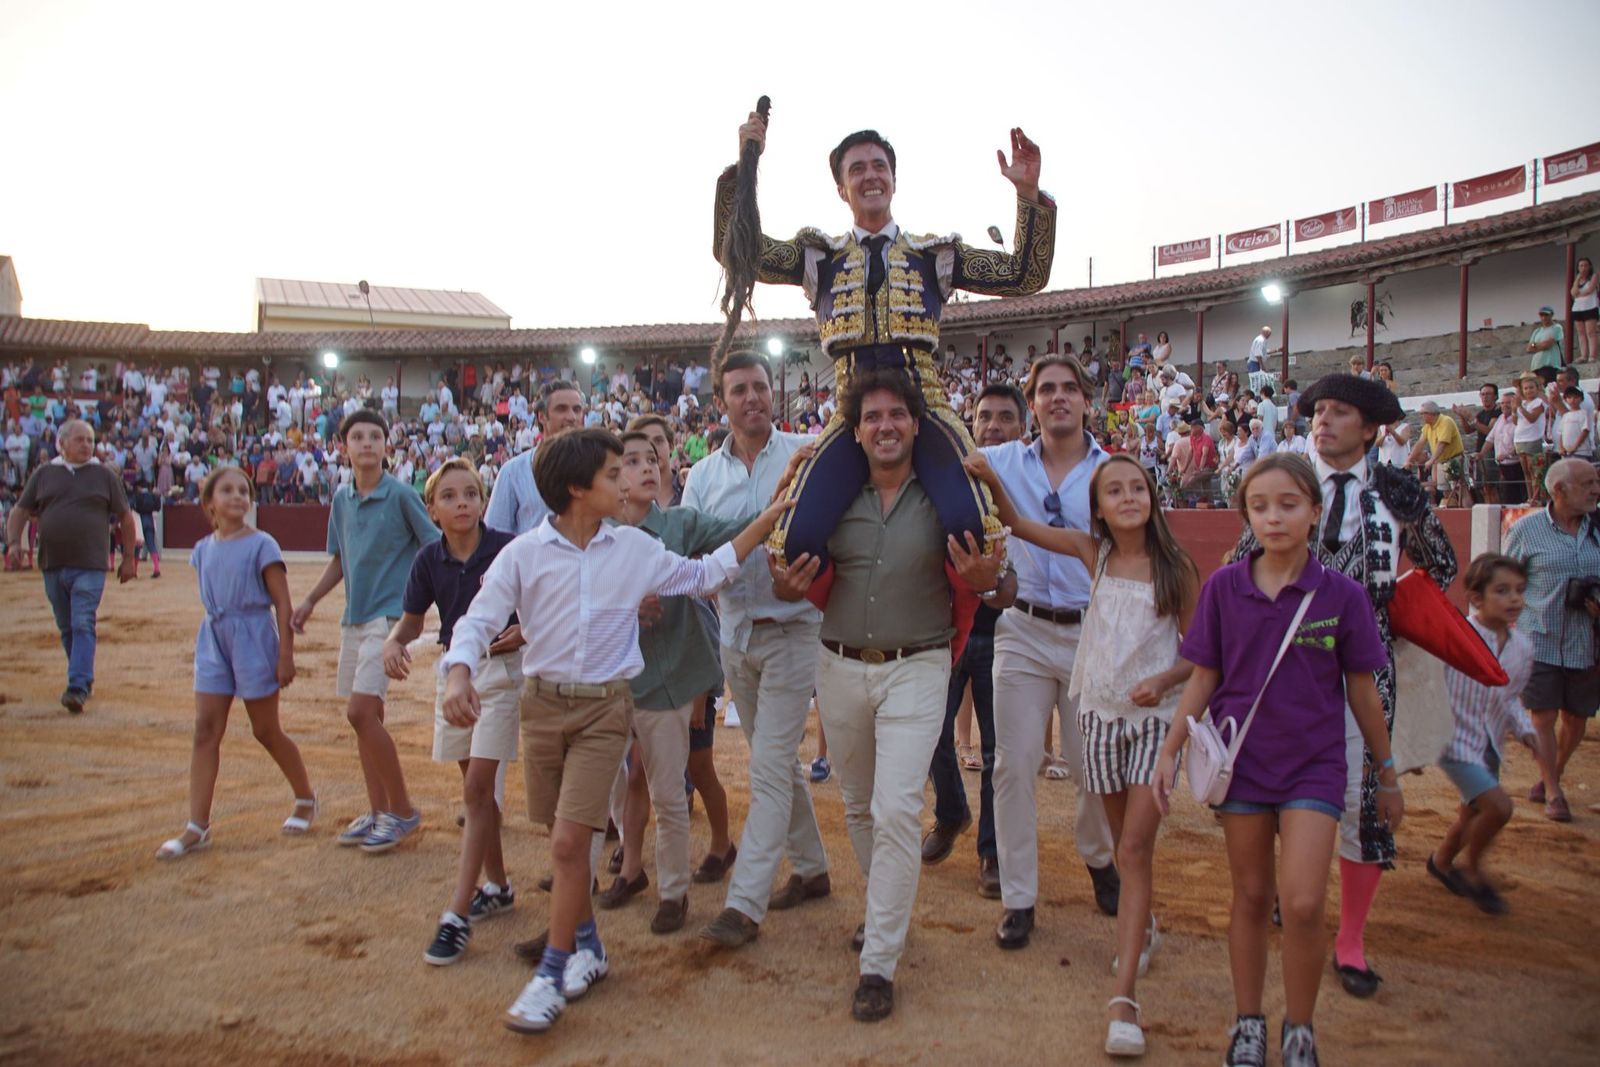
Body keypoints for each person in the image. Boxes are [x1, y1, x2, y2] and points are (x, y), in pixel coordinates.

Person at [439, 428, 789, 1034]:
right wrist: (457, 674)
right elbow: (479, 619)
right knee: (561, 837)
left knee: (572, 844)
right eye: (611, 474)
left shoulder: (634, 548)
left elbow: (708, 573)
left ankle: (551, 972)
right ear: (579, 490)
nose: (626, 480)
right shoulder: (524, 554)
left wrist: (771, 517)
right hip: (542, 709)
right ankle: (589, 948)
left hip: (606, 711)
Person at [716, 115, 1056, 574]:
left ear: (894, 180)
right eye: (857, 169)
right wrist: (744, 167)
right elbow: (735, 249)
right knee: (795, 540)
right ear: (842, 189)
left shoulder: (934, 255)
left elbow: (1024, 275)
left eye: (879, 166)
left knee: (973, 526)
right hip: (852, 413)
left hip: (926, 408)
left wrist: (1028, 196)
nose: (870, 175)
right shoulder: (819, 256)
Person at [770, 370, 1005, 1021]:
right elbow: (793, 571)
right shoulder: (833, 498)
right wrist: (789, 588)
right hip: (839, 663)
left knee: (898, 807)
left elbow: (1000, 585)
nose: (885, 425)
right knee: (860, 804)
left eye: (897, 414)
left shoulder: (943, 496)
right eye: (872, 415)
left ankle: (879, 959)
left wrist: (991, 583)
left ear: (914, 422)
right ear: (857, 428)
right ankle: (884, 913)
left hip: (919, 664)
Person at [1155, 453, 1400, 1067]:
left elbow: (1364, 692)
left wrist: (1387, 773)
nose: (1274, 518)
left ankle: (1300, 1027)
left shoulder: (1341, 595)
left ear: (1315, 512)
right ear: (1246, 516)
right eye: (1259, 507)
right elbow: (1204, 677)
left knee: (1304, 902)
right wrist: (1169, 751)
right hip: (1245, 762)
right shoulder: (1223, 588)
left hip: (1315, 765)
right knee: (1250, 895)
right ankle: (1247, 1023)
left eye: (1288, 504)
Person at [1229, 374, 1455, 1003]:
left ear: (1370, 427)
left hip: (1365, 664)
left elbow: (1442, 565)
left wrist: (1393, 619)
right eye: (1319, 410)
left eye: (1340, 412)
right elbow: (1239, 561)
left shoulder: (1400, 491)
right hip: (1283, 666)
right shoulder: (1289, 481)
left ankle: (1350, 939)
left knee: (1363, 803)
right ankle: (1288, 890)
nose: (1323, 420)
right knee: (1273, 782)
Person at [969, 449, 1197, 1057]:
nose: (1127, 498)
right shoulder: (1091, 552)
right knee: (1125, 841)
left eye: (1138, 488)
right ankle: (1139, 923)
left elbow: (1202, 655)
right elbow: (1017, 525)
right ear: (1096, 508)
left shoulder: (1177, 567)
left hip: (1151, 721)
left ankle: (1123, 992)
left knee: (1132, 846)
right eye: (1114, 491)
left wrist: (1167, 683)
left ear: (1153, 498)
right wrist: (991, 478)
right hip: (1100, 714)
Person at [683, 354, 833, 949]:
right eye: (739, 390)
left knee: (768, 764)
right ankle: (814, 868)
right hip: (734, 631)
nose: (752, 398)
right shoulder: (702, 476)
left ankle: (744, 903)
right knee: (774, 761)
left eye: (761, 388)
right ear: (722, 403)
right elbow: (699, 559)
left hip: (796, 629)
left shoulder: (807, 454)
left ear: (776, 395)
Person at [980, 354, 1120, 950]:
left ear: (1087, 400)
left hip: (1094, 632)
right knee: (1012, 766)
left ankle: (1097, 855)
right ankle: (1019, 897)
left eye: (1069, 389)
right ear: (1032, 405)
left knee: (1093, 769)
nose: (1058, 398)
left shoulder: (1114, 469)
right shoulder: (998, 461)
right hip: (1023, 628)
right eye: (1046, 391)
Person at [601, 427, 755, 935]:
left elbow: (737, 533)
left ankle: (673, 892)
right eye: (631, 461)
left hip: (665, 681)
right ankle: (610, 878)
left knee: (669, 790)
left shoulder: (681, 523)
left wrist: (777, 507)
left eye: (652, 459)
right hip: (608, 684)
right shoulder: (592, 534)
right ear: (609, 475)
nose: (647, 467)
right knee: (598, 792)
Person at [381, 459, 523, 965]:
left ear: (483, 502)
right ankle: (500, 887)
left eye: (471, 494)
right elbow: (413, 620)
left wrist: (524, 632)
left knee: (476, 791)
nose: (462, 503)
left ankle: (458, 913)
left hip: (503, 672)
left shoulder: (507, 547)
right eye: (450, 496)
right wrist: (392, 643)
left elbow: (543, 604)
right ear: (433, 508)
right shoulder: (428, 559)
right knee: (477, 790)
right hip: (455, 673)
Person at [292, 410, 437, 853]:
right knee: (368, 719)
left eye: (376, 436)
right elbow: (340, 559)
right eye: (358, 437)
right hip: (355, 618)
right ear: (343, 447)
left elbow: (434, 545)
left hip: (389, 620)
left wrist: (424, 601)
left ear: (386, 446)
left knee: (358, 714)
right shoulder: (342, 499)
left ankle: (403, 810)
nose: (368, 443)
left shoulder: (401, 495)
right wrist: (312, 599)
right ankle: (379, 812)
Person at [155, 467, 315, 859]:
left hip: (253, 639)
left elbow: (282, 603)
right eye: (227, 490)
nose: (238, 496)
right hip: (213, 638)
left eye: (244, 490)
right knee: (205, 730)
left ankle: (305, 798)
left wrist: (285, 655)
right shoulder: (202, 549)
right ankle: (197, 826)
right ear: (209, 502)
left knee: (265, 730)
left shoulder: (263, 544)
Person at [922, 384, 1023, 894]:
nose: (993, 426)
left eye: (1006, 418)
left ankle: (991, 853)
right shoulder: (947, 476)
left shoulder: (1021, 487)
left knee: (998, 750)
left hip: (1006, 635)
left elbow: (1014, 583)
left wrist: (993, 585)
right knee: (928, 734)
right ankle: (951, 809)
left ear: (1021, 429)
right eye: (985, 417)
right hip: (946, 629)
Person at [5, 419, 137, 712]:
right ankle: (82, 676)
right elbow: (20, 511)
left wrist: (128, 559)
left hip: (90, 563)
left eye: (90, 440)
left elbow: (126, 518)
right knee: (67, 626)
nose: (86, 445)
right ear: (60, 443)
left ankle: (76, 685)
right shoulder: (44, 474)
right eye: (79, 440)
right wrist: (14, 543)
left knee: (81, 622)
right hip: (52, 562)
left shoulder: (104, 475)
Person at [1429, 553, 1536, 915]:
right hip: (1453, 741)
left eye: (1519, 591)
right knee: (1498, 807)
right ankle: (1472, 869)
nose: (1515, 599)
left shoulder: (1522, 647)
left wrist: (1524, 729)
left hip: (1488, 741)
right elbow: (1427, 684)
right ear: (1476, 598)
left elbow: (1509, 698)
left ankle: (1441, 861)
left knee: (1473, 814)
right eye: (1502, 591)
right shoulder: (1457, 636)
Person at [1505, 458, 1600, 823]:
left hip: (1587, 641)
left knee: (1577, 719)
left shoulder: (1598, 529)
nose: (1596, 490)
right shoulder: (1527, 531)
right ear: (1560, 490)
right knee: (1542, 716)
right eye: (1588, 483)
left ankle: (1551, 773)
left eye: (1596, 482)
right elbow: (1502, 578)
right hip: (1539, 637)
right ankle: (1555, 792)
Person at [486, 380, 585, 535]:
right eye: (561, 409)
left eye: (577, 409)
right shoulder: (513, 471)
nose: (572, 417)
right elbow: (494, 536)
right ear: (541, 417)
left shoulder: (594, 467)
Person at [1410, 400, 1465, 506]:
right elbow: (1420, 443)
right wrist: (1409, 459)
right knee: (1446, 491)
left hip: (1453, 459)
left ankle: (1467, 513)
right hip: (1441, 461)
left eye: (1423, 413)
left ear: (1431, 413)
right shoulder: (1427, 427)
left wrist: (1431, 460)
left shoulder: (1446, 421)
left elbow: (1442, 443)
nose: (1421, 416)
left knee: (1460, 489)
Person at [1512, 373, 1548, 504]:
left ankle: (1537, 497)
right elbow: (1515, 421)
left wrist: (1520, 406)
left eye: (1531, 387)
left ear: (1537, 388)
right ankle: (1530, 496)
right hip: (1520, 439)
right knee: (1526, 471)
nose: (1528, 391)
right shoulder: (1524, 403)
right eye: (1525, 388)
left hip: (1533, 438)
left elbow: (1532, 418)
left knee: (1534, 470)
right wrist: (1514, 409)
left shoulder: (1539, 403)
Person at [1527, 306, 1565, 384]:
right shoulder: (1537, 331)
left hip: (1550, 364)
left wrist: (1535, 345)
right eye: (1542, 315)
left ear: (1551, 315)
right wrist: (1538, 345)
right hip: (1536, 366)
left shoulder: (1556, 328)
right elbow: (1529, 348)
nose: (1544, 318)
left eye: (1546, 315)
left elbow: (1548, 344)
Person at [1572, 256, 1598, 363]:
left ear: (1590, 266)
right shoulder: (1577, 280)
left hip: (1590, 307)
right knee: (1581, 333)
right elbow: (1573, 293)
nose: (1583, 268)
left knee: (1591, 332)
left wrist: (1579, 294)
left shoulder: (1593, 276)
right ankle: (1583, 355)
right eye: (1581, 266)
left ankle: (1592, 355)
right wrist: (1578, 279)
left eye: (1585, 265)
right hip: (1577, 308)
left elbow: (1589, 290)